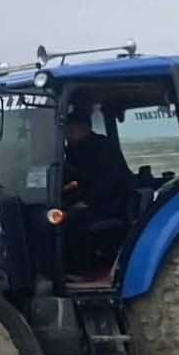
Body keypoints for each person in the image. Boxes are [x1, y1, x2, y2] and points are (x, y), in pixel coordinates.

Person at [60, 105, 134, 275]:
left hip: (111, 203)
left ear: (84, 128)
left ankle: (81, 271)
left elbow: (109, 181)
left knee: (72, 222)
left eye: (71, 129)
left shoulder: (103, 148)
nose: (68, 133)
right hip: (85, 199)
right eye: (66, 130)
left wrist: (86, 202)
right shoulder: (69, 150)